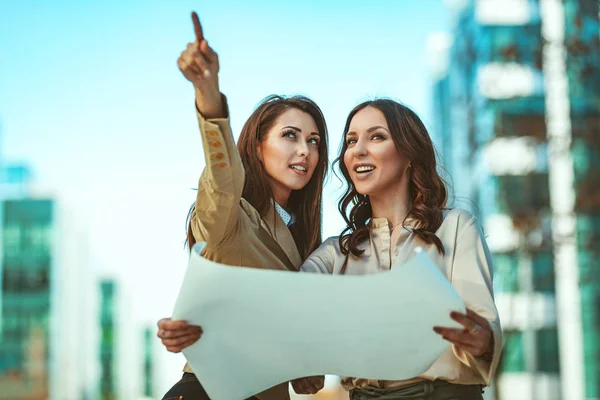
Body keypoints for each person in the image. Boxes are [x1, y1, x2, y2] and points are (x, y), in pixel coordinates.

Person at [157, 12, 328, 400]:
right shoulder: (230, 218)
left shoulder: (310, 246)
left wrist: (308, 371)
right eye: (290, 136)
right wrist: (208, 93)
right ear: (256, 146)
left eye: (315, 140)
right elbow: (222, 176)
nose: (305, 150)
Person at [300, 99, 503, 400]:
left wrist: (482, 340)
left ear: (409, 154)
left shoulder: (457, 227)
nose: (358, 150)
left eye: (377, 136)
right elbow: (287, 297)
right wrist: (300, 357)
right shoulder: (336, 254)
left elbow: (484, 326)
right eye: (351, 141)